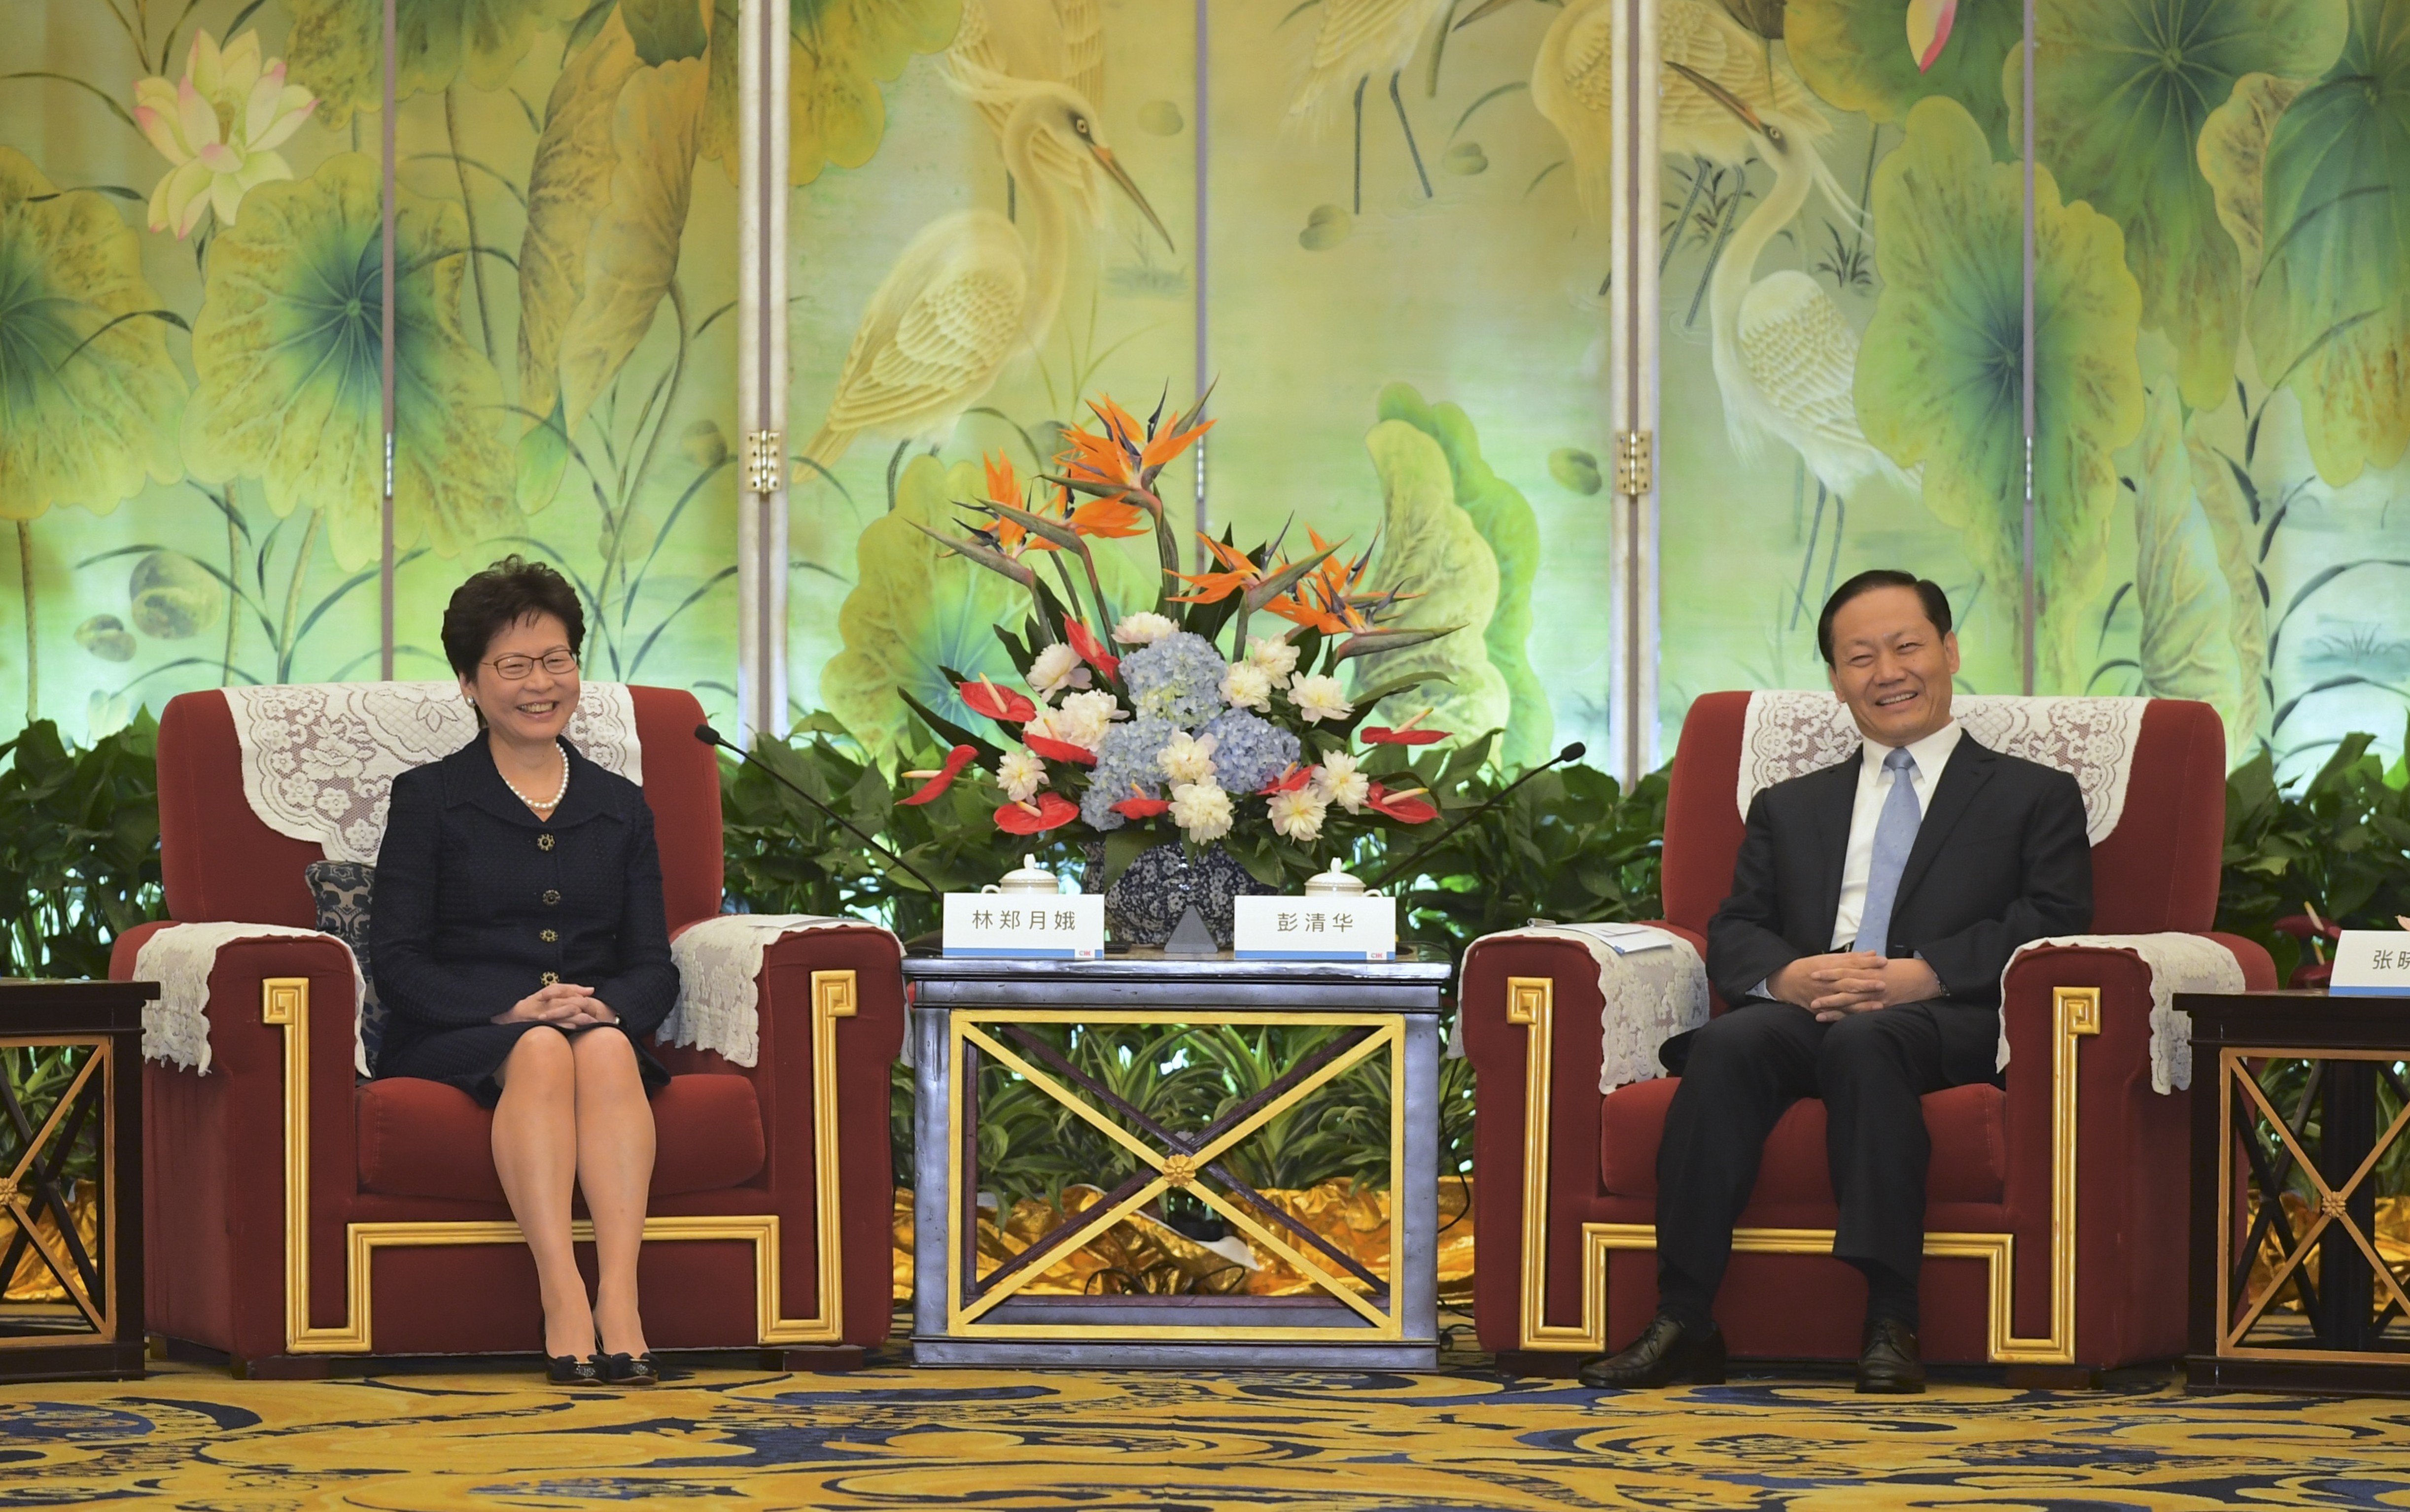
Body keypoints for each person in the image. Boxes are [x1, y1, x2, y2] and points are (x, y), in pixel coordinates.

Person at [1579, 570, 2092, 1394]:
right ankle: (1684, 1317)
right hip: (1812, 1007)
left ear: (1949, 651)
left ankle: (1891, 1316)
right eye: (1859, 657)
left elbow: (2055, 916)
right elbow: (1736, 926)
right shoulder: (1790, 805)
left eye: (1906, 646)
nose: (1886, 671)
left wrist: (1923, 975)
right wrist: (1786, 976)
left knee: (1866, 1042)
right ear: (1835, 680)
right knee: (1726, 1045)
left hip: (1947, 1017)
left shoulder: (2032, 795)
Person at [371, 555, 677, 1387]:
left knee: (607, 1050)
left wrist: (601, 1009)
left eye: (557, 661)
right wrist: (513, 1009)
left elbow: (654, 963)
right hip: (459, 1032)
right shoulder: (429, 798)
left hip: (588, 1027)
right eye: (513, 666)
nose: (540, 684)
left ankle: (621, 1298)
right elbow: (395, 960)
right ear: (469, 683)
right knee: (541, 1049)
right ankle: (561, 1293)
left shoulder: (621, 805)